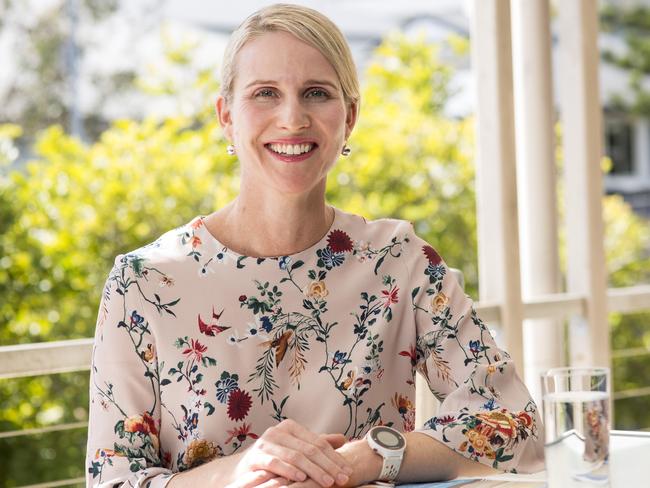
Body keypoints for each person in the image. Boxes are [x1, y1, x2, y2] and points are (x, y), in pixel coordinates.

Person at [85, 4, 545, 487]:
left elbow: (514, 422)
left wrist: (368, 458)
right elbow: (113, 480)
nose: (292, 118)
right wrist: (243, 472)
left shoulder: (400, 262)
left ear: (348, 117)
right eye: (265, 93)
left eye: (316, 93)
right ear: (227, 117)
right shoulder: (144, 282)